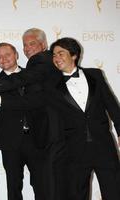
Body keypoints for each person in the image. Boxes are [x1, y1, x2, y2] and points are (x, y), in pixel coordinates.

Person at [47, 37, 120, 200]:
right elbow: (30, 101)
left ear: (74, 55)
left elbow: (111, 104)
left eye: (60, 53)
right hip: (74, 150)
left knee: (114, 191)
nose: (56, 58)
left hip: (103, 146)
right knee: (77, 195)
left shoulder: (95, 75)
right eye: (54, 55)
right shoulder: (51, 85)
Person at [0, 43, 46, 200]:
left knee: (42, 184)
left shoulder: (33, 75)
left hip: (36, 139)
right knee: (13, 186)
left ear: (16, 55)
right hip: (10, 141)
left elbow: (37, 101)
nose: (3, 59)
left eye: (7, 54)